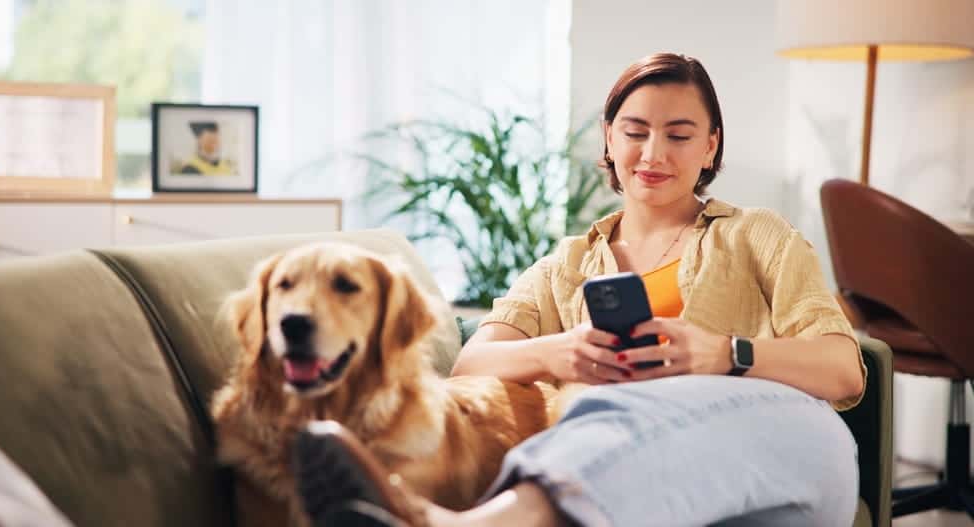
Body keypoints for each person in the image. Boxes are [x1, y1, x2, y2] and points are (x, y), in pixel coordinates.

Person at [295, 53, 866, 527]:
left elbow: (844, 369)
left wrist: (726, 354)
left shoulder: (756, 235)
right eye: (635, 132)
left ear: (710, 147)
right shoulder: (564, 265)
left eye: (679, 135)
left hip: (786, 450)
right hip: (654, 490)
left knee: (664, 408)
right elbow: (472, 364)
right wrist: (557, 351)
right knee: (606, 412)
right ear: (609, 139)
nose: (653, 154)